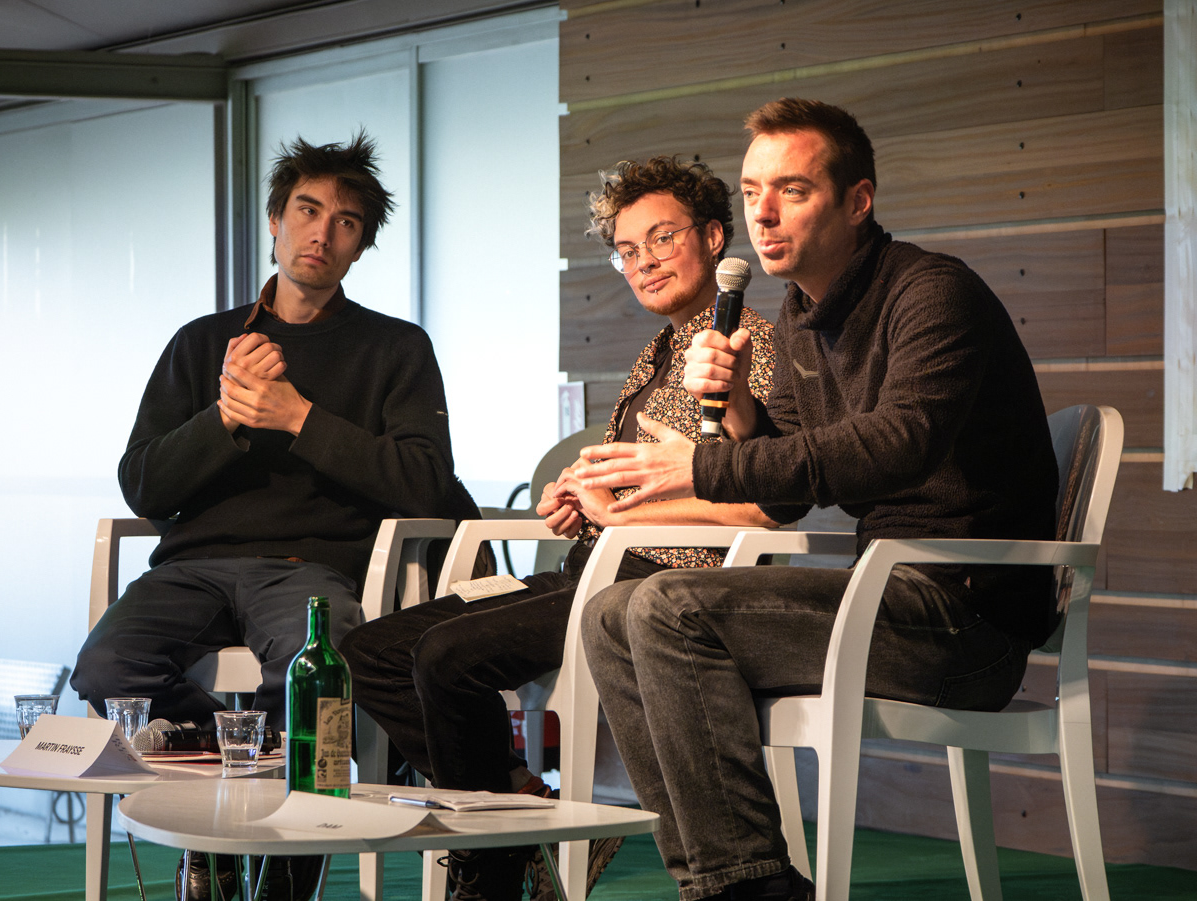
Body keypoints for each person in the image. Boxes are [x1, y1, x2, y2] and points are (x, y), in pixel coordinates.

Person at [576, 99, 1060, 901]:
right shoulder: (800, 318)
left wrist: (698, 470)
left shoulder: (933, 293)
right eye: (752, 188)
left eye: (792, 191)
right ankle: (722, 882)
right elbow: (789, 482)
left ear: (857, 201)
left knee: (667, 608)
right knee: (608, 615)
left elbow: (898, 444)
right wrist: (735, 409)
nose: (762, 212)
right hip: (890, 596)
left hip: (967, 619)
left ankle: (750, 886)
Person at [339, 156, 777, 901]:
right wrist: (584, 497)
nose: (643, 263)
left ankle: (495, 867)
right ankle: (522, 806)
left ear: (711, 237)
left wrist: (625, 507)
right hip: (592, 567)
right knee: (370, 649)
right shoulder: (658, 352)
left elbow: (760, 498)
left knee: (445, 657)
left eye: (661, 238)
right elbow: (644, 485)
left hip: (665, 586)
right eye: (627, 251)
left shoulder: (748, 345)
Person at [71, 132, 480, 901]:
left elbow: (426, 484)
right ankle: (213, 832)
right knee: (104, 667)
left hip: (311, 569)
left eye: (348, 221)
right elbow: (143, 485)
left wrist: (299, 418)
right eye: (307, 209)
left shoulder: (395, 349)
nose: (323, 232)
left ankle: (283, 886)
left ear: (361, 246)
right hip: (192, 566)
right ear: (274, 220)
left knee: (312, 677)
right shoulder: (202, 343)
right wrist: (224, 418)